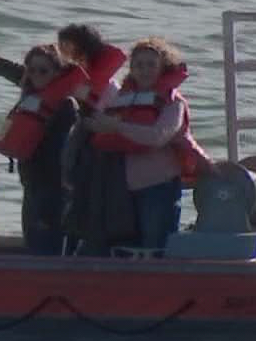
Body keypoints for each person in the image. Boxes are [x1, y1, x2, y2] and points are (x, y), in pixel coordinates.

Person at [84, 38, 209, 251]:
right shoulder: (120, 99)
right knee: (126, 246)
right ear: (131, 69)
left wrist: (117, 127)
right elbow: (95, 124)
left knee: (156, 246)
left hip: (159, 187)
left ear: (163, 68)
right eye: (139, 65)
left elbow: (157, 136)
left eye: (151, 64)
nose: (145, 70)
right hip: (123, 189)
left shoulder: (173, 102)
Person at [0, 44, 84, 254]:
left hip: (53, 190)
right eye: (32, 70)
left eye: (44, 71)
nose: (37, 75)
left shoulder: (64, 106)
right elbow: (16, 73)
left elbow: (43, 146)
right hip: (31, 184)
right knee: (32, 242)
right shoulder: (33, 95)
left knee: (46, 247)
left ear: (58, 73)